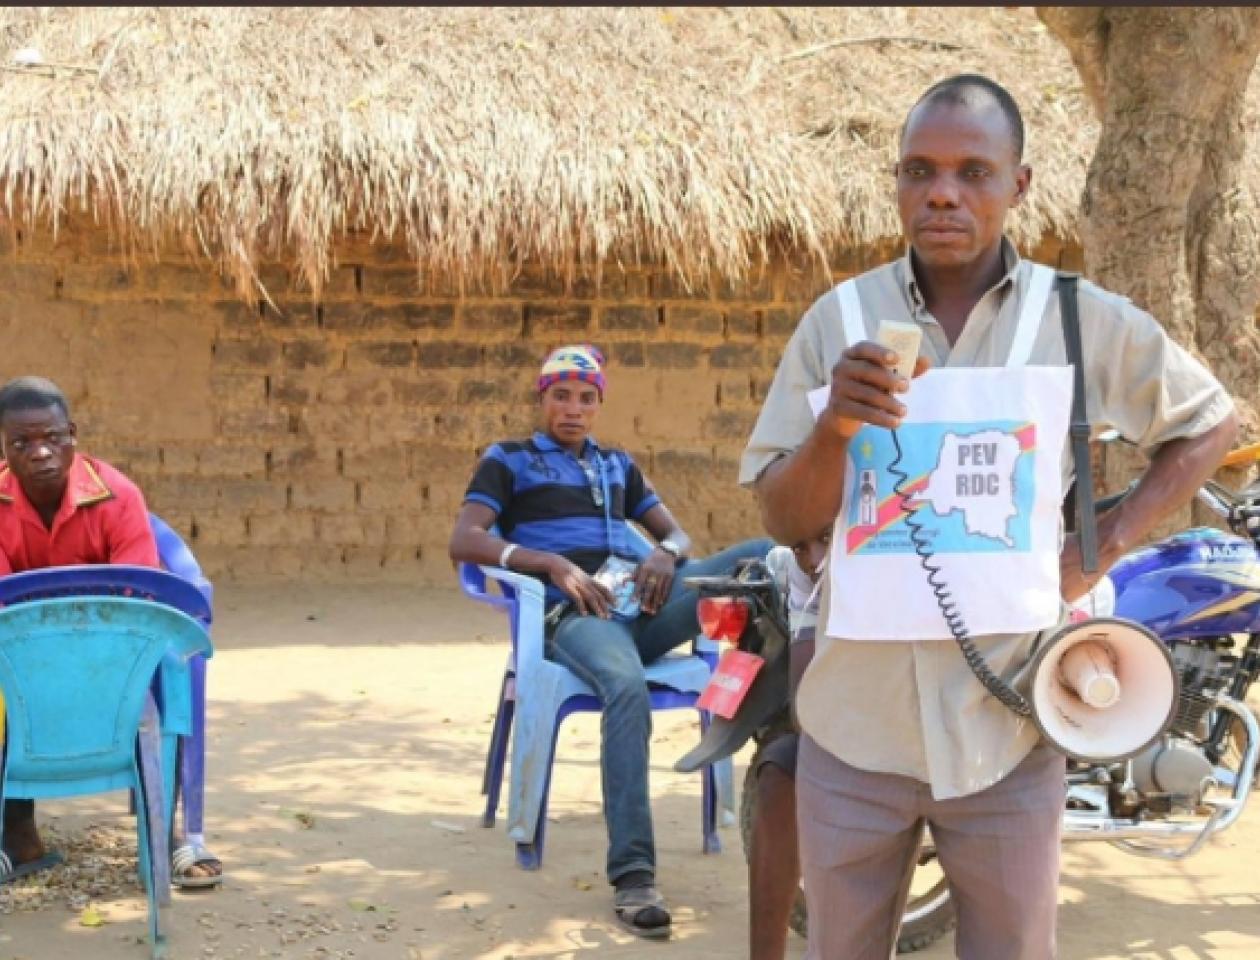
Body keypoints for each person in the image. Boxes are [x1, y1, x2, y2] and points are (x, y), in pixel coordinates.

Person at [741, 75, 1239, 959]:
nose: (943, 192)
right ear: (898, 183)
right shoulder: (840, 320)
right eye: (920, 170)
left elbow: (1210, 422)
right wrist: (834, 429)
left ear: (1019, 185)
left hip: (1008, 729)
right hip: (853, 731)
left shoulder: (1080, 320)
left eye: (974, 171)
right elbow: (783, 513)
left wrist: (1103, 545)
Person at [449, 344, 771, 939]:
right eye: (562, 395)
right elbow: (465, 540)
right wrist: (547, 563)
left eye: (586, 398)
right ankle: (633, 874)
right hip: (575, 621)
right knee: (624, 686)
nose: (573, 408)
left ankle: (756, 700)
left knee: (760, 557)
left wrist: (663, 554)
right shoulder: (509, 460)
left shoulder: (616, 465)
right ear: (543, 398)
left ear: (599, 405)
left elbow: (676, 532)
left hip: (640, 611)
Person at [0, 376, 224, 889]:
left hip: (111, 647)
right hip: (20, 650)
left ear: (72, 434)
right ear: (4, 447)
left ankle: (165, 835)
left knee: (166, 671)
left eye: (52, 438)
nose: (40, 453)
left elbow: (138, 595)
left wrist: (91, 648)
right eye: (21, 443)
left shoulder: (118, 496)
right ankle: (17, 834)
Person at [747, 527, 826, 960]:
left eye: (827, 539)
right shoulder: (804, 576)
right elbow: (803, 709)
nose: (813, 558)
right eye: (800, 546)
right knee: (778, 770)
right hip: (855, 725)